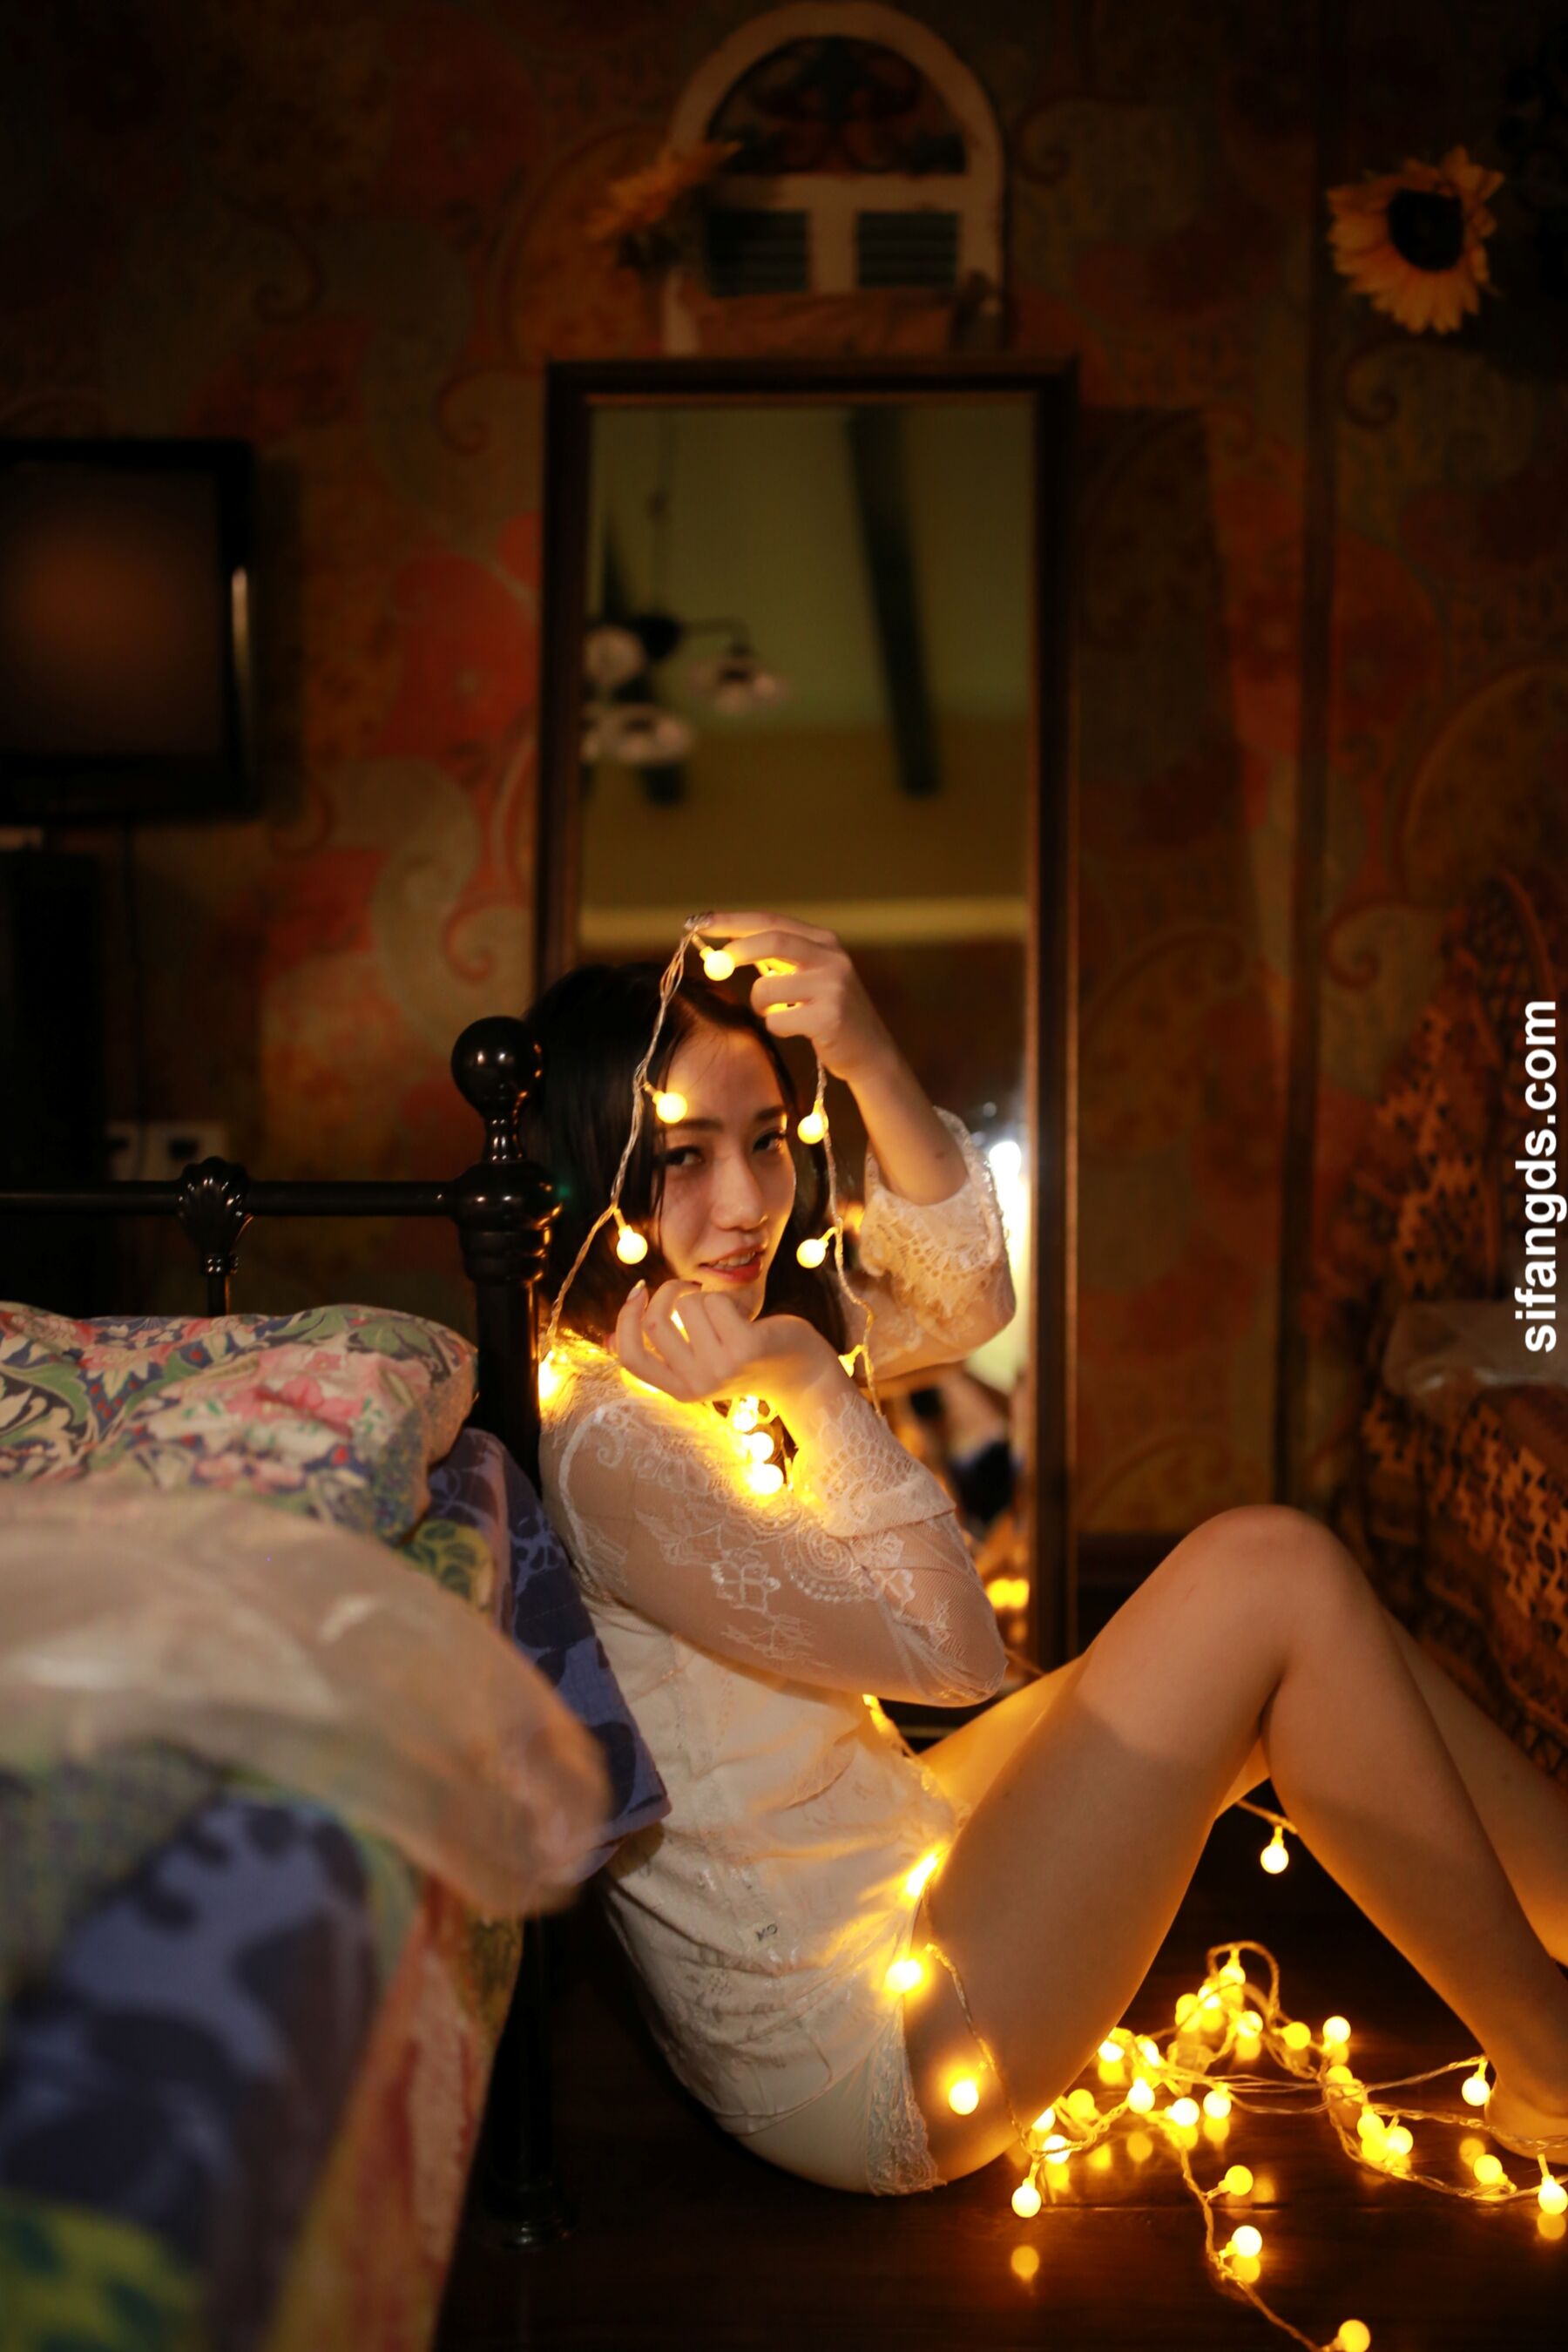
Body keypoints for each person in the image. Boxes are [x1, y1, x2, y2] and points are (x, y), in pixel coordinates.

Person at [524, 909, 1568, 2197]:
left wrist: (869, 1059)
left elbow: (968, 1301)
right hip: (857, 2044)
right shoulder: (608, 1444)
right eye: (684, 1156)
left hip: (889, 1846)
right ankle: (1554, 2069)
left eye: (766, 1139)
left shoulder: (695, 1333)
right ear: (592, 1172)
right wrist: (810, 1384)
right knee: (1272, 1575)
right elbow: (957, 1656)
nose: (745, 1203)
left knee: (1313, 1624)